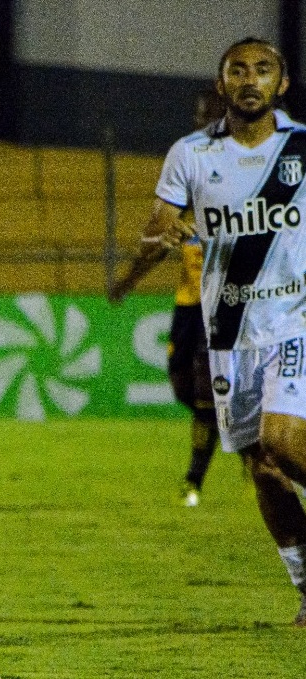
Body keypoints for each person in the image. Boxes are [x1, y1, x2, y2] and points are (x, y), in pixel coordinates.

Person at [144, 37, 306, 626]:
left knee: (285, 439)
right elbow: (158, 222)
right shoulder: (188, 154)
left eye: (264, 70)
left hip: (294, 321)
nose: (251, 79)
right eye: (238, 70)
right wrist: (164, 230)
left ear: (281, 85)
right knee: (262, 465)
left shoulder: (302, 148)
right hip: (228, 335)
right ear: (222, 84)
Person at [108, 88, 228, 507]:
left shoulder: (243, 173)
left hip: (225, 303)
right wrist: (128, 280)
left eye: (210, 114)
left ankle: (194, 478)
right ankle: (228, 432)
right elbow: (160, 241)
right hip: (187, 302)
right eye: (198, 115)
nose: (202, 122)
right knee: (180, 379)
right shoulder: (189, 173)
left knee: (202, 389)